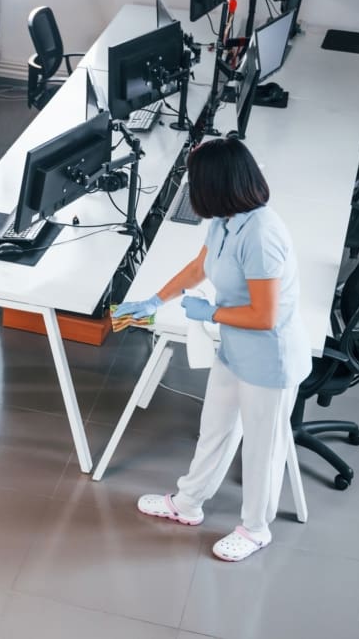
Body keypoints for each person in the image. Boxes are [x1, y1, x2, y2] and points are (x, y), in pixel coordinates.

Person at [112, 137, 310, 562]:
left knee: (261, 448)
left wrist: (212, 313)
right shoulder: (225, 220)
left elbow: (265, 316)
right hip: (234, 349)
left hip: (269, 360)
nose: (191, 189)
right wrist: (155, 300)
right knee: (215, 429)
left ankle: (256, 529)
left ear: (217, 186)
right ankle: (188, 502)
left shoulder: (261, 235)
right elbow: (200, 266)